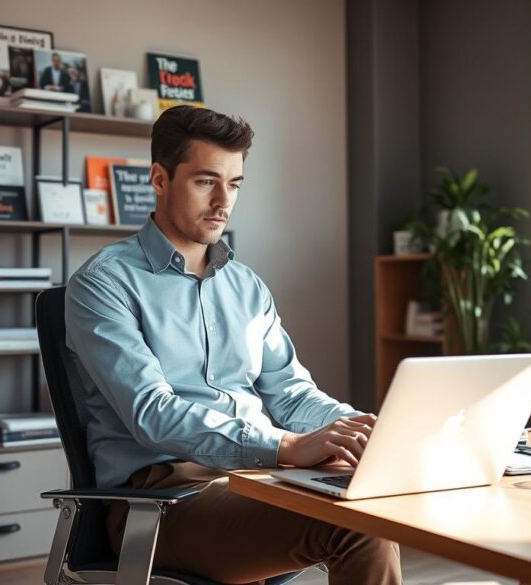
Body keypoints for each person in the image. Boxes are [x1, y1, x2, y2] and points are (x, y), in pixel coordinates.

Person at [65, 106, 401, 585]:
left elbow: (290, 392)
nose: (224, 200)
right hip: (162, 504)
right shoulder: (104, 284)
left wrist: (359, 430)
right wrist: (285, 446)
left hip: (256, 481)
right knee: (358, 528)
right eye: (206, 181)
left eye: (235, 183)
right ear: (160, 179)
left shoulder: (246, 286)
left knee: (381, 502)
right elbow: (152, 413)